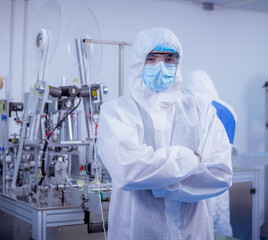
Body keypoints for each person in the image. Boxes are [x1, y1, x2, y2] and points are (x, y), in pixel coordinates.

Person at [97, 28, 232, 240]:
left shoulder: (202, 111)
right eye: (151, 58)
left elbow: (220, 174)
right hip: (136, 231)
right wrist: (189, 158)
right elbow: (127, 171)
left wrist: (155, 183)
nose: (161, 66)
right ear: (138, 62)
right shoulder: (117, 112)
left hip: (193, 232)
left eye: (169, 58)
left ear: (178, 63)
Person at [183, 69, 238, 237]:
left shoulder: (193, 108)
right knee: (221, 222)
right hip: (221, 176)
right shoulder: (229, 110)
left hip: (196, 176)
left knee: (197, 226)